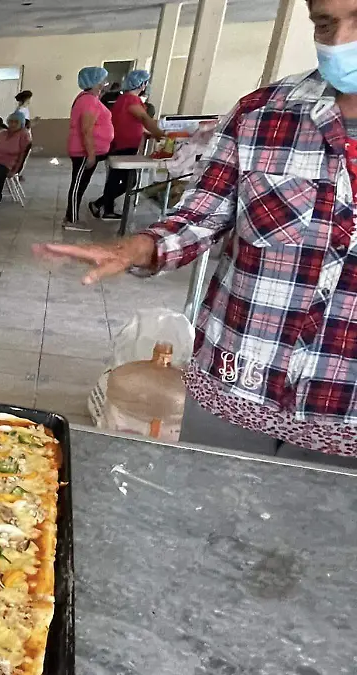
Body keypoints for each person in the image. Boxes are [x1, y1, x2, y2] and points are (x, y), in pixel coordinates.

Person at [35, 0, 357, 466]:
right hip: (238, 384)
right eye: (325, 24)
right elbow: (201, 216)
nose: (340, 41)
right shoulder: (264, 115)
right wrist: (138, 247)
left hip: (345, 414)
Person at [89, 69, 166, 220]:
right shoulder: (130, 100)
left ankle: (103, 206)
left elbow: (132, 123)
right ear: (142, 84)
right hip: (123, 145)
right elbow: (144, 118)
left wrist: (148, 133)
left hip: (123, 144)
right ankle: (102, 206)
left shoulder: (125, 99)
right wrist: (160, 135)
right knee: (126, 181)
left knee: (117, 179)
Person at [64, 66, 113, 229]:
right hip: (83, 151)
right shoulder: (88, 100)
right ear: (95, 82)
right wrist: (91, 153)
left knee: (81, 184)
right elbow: (86, 129)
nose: (105, 84)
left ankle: (71, 217)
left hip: (87, 150)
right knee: (78, 185)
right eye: (102, 81)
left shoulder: (90, 98)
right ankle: (71, 220)